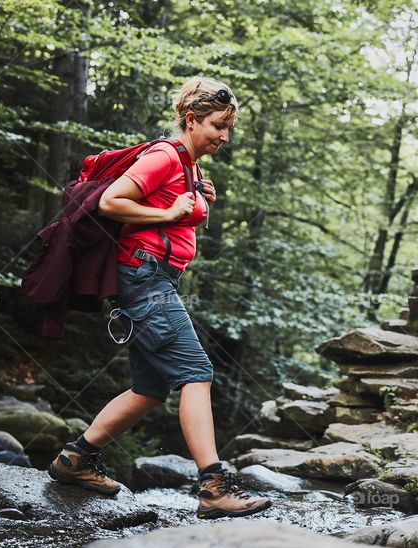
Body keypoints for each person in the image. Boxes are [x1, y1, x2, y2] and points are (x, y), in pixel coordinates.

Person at [47, 77, 272, 520]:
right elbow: (112, 201)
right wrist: (169, 211)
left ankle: (74, 461)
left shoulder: (188, 166)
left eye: (229, 129)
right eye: (217, 126)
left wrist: (199, 199)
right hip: (145, 278)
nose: (225, 137)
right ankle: (213, 487)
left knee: (150, 388)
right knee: (197, 371)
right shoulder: (164, 156)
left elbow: (177, 216)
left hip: (155, 278)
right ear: (191, 120)